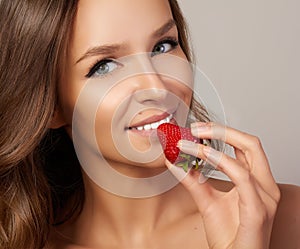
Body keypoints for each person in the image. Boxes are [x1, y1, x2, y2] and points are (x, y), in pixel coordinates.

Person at [0, 0, 299, 249]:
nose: (157, 88)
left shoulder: (288, 220)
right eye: (103, 66)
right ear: (50, 107)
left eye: (163, 46)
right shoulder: (22, 241)